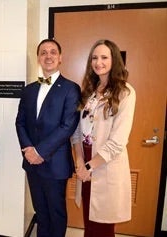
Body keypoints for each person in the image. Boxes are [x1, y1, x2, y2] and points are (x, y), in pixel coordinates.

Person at [15, 39, 81, 237]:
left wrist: (40, 151)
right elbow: (20, 122)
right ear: (38, 58)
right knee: (41, 212)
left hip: (55, 164)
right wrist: (28, 149)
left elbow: (68, 125)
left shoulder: (71, 88)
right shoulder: (29, 90)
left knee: (56, 213)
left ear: (60, 58)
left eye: (53, 52)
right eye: (43, 52)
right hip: (32, 163)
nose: (48, 56)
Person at [72, 39, 136, 237]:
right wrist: (80, 162)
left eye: (104, 57)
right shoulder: (89, 91)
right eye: (94, 58)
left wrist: (90, 166)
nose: (98, 62)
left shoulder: (125, 92)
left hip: (105, 165)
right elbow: (77, 131)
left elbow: (118, 140)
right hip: (86, 160)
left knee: (103, 227)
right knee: (89, 224)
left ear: (114, 60)